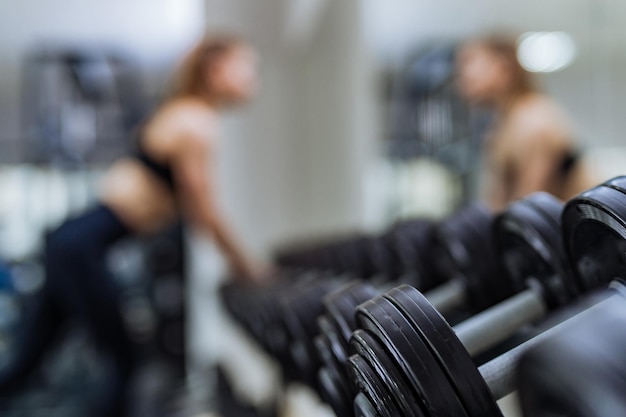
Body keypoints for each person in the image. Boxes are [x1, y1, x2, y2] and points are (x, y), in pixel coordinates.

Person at [0, 34, 268, 416]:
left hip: (73, 241)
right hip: (81, 247)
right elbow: (203, 210)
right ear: (215, 68)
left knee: (29, 360)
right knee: (125, 359)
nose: (253, 78)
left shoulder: (183, 113)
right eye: (246, 66)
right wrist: (246, 266)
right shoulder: (196, 122)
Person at [457, 34, 595, 211]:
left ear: (503, 68)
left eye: (469, 61)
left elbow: (531, 208)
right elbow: (497, 202)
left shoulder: (534, 120)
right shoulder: (502, 124)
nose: (461, 74)